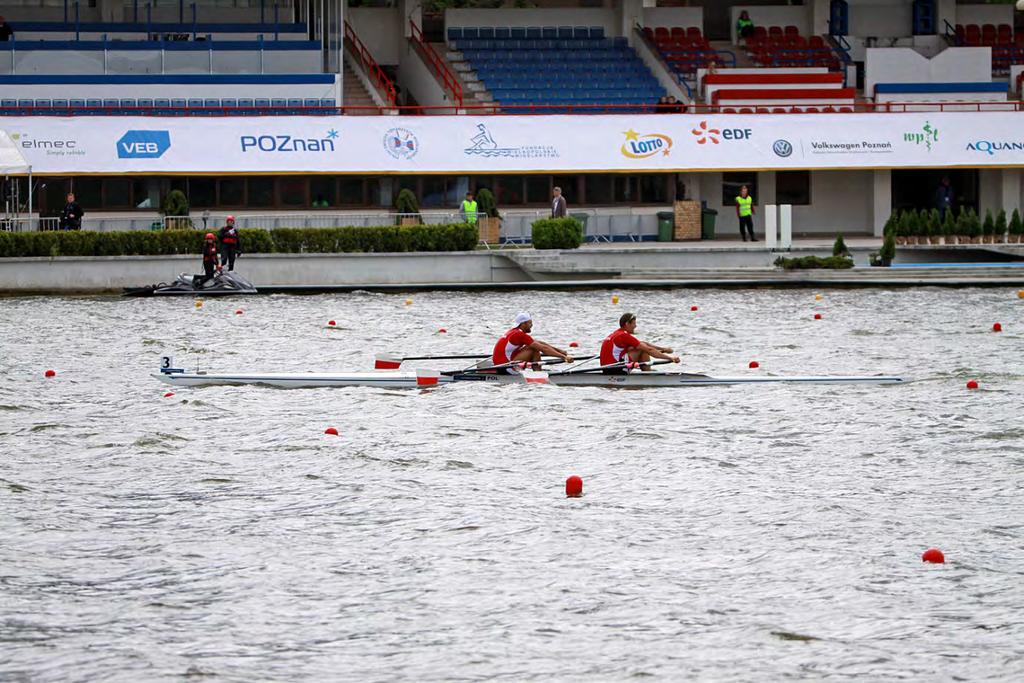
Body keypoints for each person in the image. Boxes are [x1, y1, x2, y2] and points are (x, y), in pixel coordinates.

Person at [599, 312, 680, 374]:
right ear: (627, 324)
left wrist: (663, 349)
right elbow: (649, 349)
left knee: (640, 346)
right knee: (643, 349)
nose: (635, 326)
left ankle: (647, 371)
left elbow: (642, 343)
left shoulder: (616, 333)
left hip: (607, 368)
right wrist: (670, 358)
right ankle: (647, 374)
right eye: (634, 323)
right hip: (616, 370)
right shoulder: (624, 335)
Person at [492, 312, 574, 372]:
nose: (532, 325)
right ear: (523, 324)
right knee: (534, 348)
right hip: (505, 368)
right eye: (530, 323)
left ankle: (537, 373)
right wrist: (564, 357)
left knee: (535, 344)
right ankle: (538, 374)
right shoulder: (519, 334)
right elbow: (544, 349)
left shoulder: (514, 331)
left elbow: (539, 343)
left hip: (502, 364)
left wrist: (560, 351)